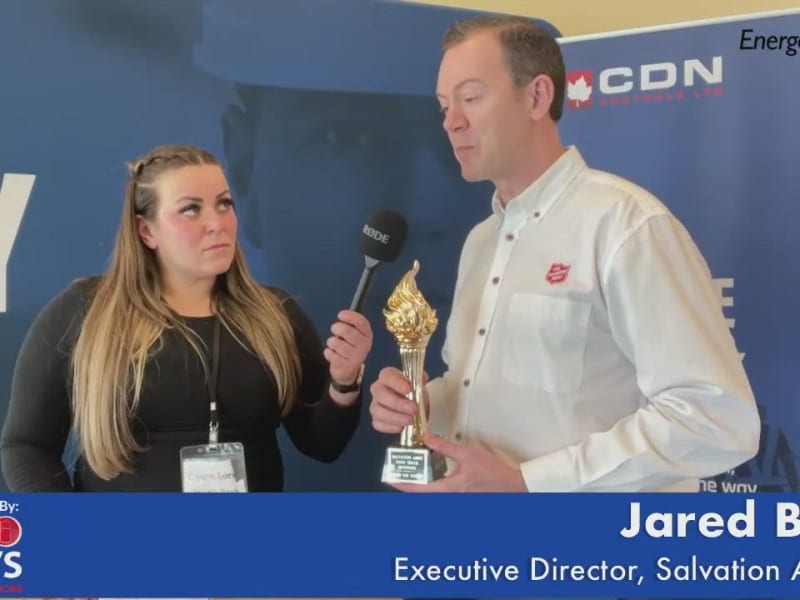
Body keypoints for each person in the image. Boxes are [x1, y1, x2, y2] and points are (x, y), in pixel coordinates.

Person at [368, 15, 760, 493]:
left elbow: (715, 419)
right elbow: (476, 387)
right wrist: (424, 403)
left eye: (470, 98)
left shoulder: (625, 225)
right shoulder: (481, 241)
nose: (452, 122)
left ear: (537, 96)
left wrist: (528, 482)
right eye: (444, 106)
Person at [0, 144, 371, 492]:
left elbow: (322, 444)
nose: (217, 223)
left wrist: (344, 383)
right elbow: (27, 446)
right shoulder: (85, 311)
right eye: (191, 209)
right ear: (147, 231)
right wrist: (68, 531)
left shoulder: (276, 314)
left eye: (224, 204)